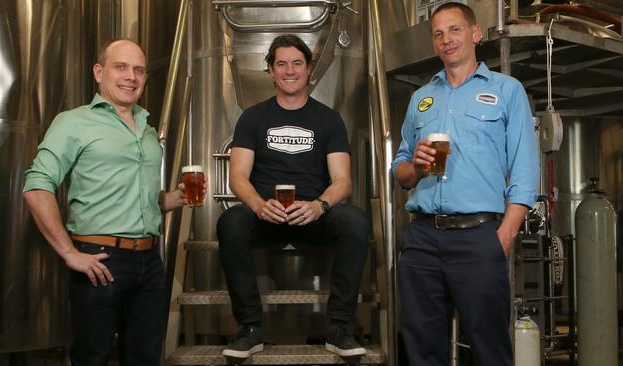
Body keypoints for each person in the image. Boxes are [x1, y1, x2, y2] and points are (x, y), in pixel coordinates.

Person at [23, 38, 189, 366]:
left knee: (144, 358)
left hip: (149, 262)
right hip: (100, 261)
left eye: (139, 70)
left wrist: (171, 199)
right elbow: (36, 186)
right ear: (99, 72)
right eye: (121, 67)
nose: (131, 76)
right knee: (93, 357)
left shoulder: (146, 127)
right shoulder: (73, 122)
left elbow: (129, 195)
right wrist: (70, 253)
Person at [392, 3, 539, 366]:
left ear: (475, 34)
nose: (447, 40)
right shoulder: (420, 99)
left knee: (488, 347)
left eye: (455, 30)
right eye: (438, 34)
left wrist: (504, 235)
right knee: (422, 349)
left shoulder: (507, 91)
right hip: (422, 238)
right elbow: (399, 170)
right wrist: (417, 167)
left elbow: (525, 168)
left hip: (479, 236)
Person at [217, 34, 369, 359]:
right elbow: (237, 177)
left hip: (313, 216)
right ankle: (250, 328)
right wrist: (258, 205)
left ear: (309, 68)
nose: (289, 71)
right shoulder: (253, 118)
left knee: (354, 220)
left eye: (297, 63)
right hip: (266, 216)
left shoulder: (328, 120)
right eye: (281, 63)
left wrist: (319, 206)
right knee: (231, 221)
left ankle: (339, 328)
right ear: (270, 70)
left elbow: (343, 181)